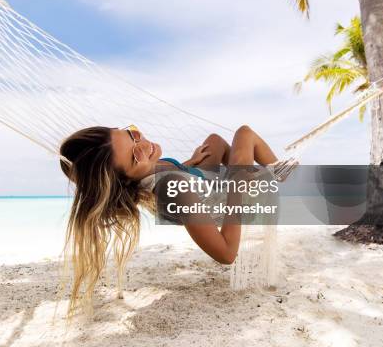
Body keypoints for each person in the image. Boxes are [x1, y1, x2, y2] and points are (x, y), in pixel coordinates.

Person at [59, 124, 278, 314]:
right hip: (234, 201)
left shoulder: (150, 172)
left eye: (132, 134)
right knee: (244, 134)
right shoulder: (173, 189)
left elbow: (172, 178)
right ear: (124, 180)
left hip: (204, 184)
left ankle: (260, 175)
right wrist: (238, 186)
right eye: (135, 155)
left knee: (214, 141)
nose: (144, 145)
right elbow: (226, 253)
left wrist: (190, 163)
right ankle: (283, 180)